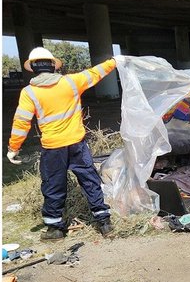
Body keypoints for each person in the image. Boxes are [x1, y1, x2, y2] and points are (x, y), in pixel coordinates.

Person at [7, 47, 118, 239]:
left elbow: (21, 122)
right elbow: (96, 73)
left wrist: (13, 147)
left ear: (33, 67)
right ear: (53, 65)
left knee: (53, 185)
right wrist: (115, 62)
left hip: (52, 148)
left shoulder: (29, 92)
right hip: (77, 143)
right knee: (90, 181)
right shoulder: (71, 82)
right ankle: (104, 223)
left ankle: (55, 228)